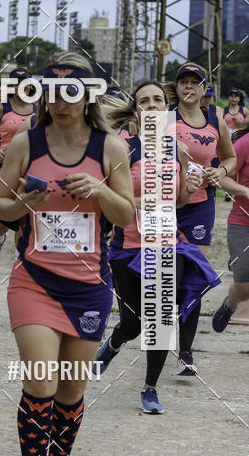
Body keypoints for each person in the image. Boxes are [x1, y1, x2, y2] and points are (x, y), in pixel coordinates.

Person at [0, 54, 135, 456]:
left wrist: (98, 189)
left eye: (70, 92)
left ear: (88, 95)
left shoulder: (110, 148)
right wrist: (21, 201)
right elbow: (0, 209)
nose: (60, 101)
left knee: (72, 390)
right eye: (51, 92)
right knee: (40, 381)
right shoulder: (25, 143)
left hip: (89, 287)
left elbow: (125, 215)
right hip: (34, 281)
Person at [97, 81, 221, 409]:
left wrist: (189, 188)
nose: (152, 105)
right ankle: (114, 342)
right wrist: (142, 201)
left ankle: (150, 388)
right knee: (133, 323)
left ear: (166, 109)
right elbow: (110, 199)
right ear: (136, 109)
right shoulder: (121, 149)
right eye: (145, 100)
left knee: (161, 317)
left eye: (158, 100)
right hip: (127, 245)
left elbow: (179, 202)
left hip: (167, 241)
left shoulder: (177, 149)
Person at [164, 63, 235, 372]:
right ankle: (154, 342)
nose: (189, 86)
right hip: (165, 206)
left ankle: (186, 354)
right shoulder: (164, 117)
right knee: (166, 278)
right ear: (177, 87)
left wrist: (219, 171)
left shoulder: (214, 119)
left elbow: (229, 157)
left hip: (200, 206)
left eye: (195, 82)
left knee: (192, 278)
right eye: (183, 82)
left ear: (205, 88)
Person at [0, 68, 35, 260]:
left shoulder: (38, 109)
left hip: (28, 170)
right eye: (16, 81)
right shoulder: (2, 108)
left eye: (24, 81)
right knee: (2, 218)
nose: (20, 85)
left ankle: (20, 258)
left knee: (23, 216)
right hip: (2, 168)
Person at [212, 124, 249, 331]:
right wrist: (245, 191)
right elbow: (221, 178)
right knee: (244, 287)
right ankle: (229, 305)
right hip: (243, 223)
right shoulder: (245, 143)